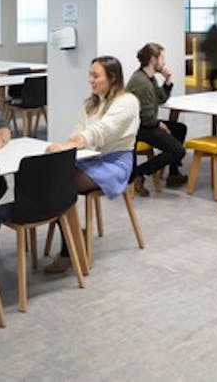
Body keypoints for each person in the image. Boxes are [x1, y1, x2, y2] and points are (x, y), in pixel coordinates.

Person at [43, 56, 140, 273]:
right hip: (88, 157)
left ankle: (70, 247)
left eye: (95, 76)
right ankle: (75, 231)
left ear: (112, 78)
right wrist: (69, 145)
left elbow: (103, 130)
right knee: (47, 177)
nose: (90, 80)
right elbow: (78, 131)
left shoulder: (128, 101)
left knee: (61, 184)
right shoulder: (91, 103)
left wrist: (70, 145)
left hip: (115, 162)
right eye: (90, 74)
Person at [126, 42, 188, 196]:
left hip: (146, 123)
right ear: (153, 60)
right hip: (139, 127)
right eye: (162, 58)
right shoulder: (141, 82)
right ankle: (139, 173)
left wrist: (167, 80)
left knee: (179, 128)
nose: (164, 62)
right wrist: (159, 124)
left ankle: (173, 172)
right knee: (178, 150)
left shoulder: (149, 77)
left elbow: (161, 99)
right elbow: (146, 118)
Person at [200, 20, 217, 90]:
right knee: (215, 71)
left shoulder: (210, 36)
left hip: (212, 56)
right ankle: (213, 87)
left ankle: (213, 87)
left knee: (214, 72)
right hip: (215, 57)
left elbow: (204, 45)